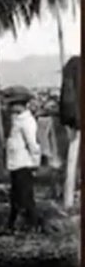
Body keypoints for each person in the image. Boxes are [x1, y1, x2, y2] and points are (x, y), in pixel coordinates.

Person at [3, 86, 43, 233]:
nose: (11, 107)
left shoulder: (27, 121)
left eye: (14, 104)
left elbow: (33, 144)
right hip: (16, 164)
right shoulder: (18, 120)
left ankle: (33, 225)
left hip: (24, 164)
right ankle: (12, 225)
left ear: (22, 104)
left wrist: (35, 163)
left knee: (25, 197)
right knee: (16, 197)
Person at [60, 56, 80, 211]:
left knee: (72, 161)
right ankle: (68, 202)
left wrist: (68, 120)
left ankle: (68, 201)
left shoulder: (73, 64)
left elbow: (67, 96)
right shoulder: (74, 65)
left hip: (76, 121)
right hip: (76, 121)